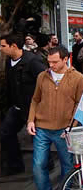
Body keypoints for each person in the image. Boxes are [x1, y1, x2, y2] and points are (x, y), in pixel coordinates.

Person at [27, 46, 83, 190]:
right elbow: (35, 99)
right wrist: (30, 121)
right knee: (38, 165)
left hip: (64, 130)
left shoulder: (78, 77)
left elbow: (79, 104)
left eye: (55, 62)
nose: (51, 65)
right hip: (41, 129)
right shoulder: (42, 76)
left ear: (65, 59)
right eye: (49, 62)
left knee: (67, 164)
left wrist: (71, 126)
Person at [0, 33, 46, 176]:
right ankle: (15, 166)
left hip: (32, 108)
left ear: (13, 46)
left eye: (3, 46)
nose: (1, 49)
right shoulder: (9, 62)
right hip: (16, 107)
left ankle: (46, 165)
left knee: (38, 138)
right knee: (5, 132)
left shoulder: (32, 61)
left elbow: (45, 81)